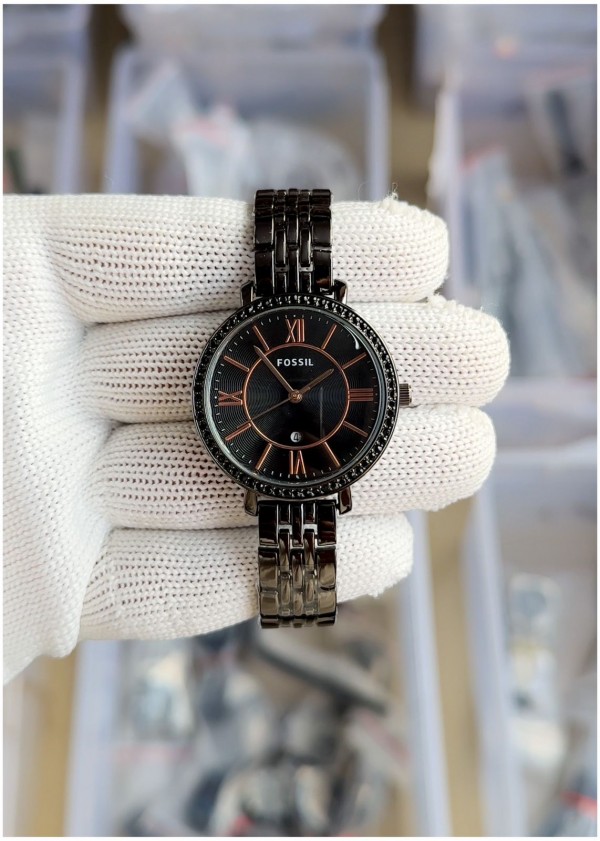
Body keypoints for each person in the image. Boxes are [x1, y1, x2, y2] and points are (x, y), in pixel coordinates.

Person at [3, 193, 509, 682]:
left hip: (281, 459)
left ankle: (298, 598)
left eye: (301, 392)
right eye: (293, 391)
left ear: (390, 396)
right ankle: (297, 599)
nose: (296, 396)